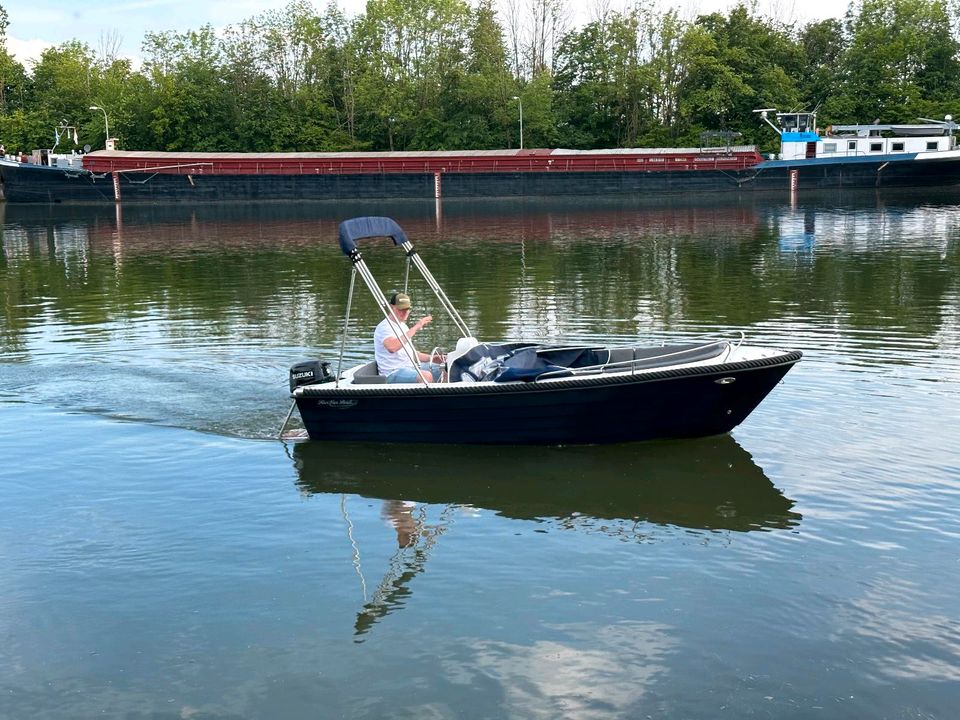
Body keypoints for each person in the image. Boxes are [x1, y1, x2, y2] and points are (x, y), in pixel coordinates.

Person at [374, 292, 445, 383]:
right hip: (392, 373)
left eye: (407, 309)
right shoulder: (384, 327)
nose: (405, 312)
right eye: (401, 309)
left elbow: (412, 354)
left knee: (445, 368)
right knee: (425, 376)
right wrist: (416, 327)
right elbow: (392, 347)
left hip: (410, 367)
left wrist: (433, 358)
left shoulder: (403, 326)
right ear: (392, 307)